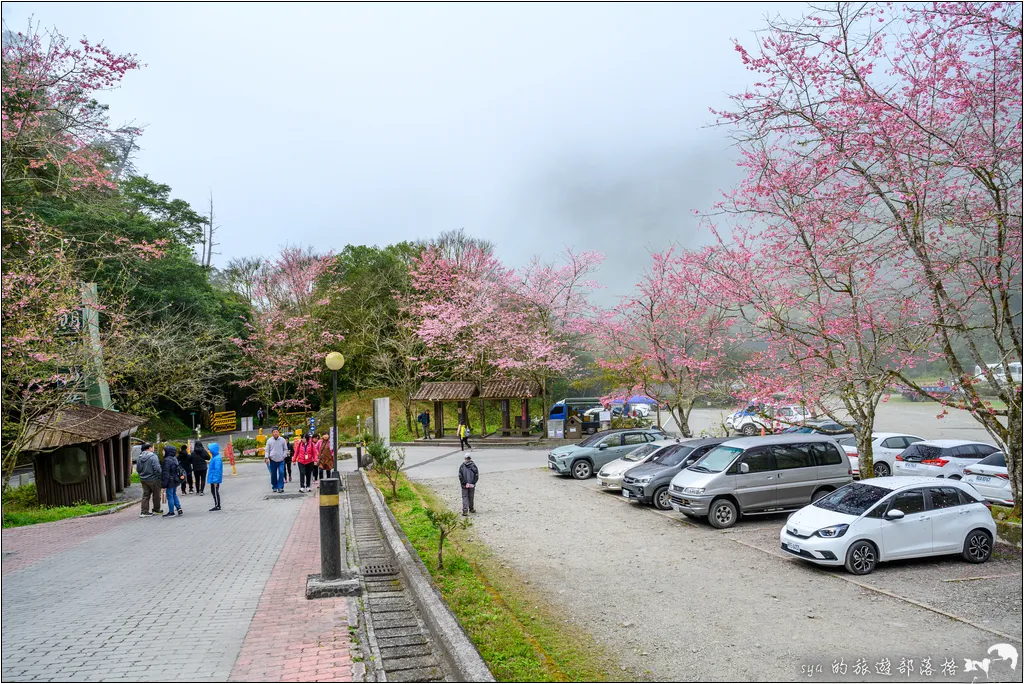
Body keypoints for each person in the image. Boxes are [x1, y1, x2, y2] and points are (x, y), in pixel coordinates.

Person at [135, 443, 163, 517]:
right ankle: (156, 510)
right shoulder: (153, 456)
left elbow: (138, 469)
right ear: (150, 448)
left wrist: (142, 474)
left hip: (143, 479)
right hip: (153, 479)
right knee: (156, 495)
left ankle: (144, 511)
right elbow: (157, 468)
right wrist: (159, 476)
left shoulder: (140, 457)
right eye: (153, 447)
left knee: (145, 495)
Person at [161, 445, 184, 517]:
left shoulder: (167, 460)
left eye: (164, 450)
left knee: (170, 496)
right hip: (175, 479)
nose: (163, 452)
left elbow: (166, 473)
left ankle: (171, 512)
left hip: (170, 481)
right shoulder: (174, 458)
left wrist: (164, 484)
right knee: (174, 494)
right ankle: (178, 508)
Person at [265, 427, 288, 492]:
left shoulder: (282, 440)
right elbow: (267, 450)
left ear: (278, 433)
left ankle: (280, 487)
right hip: (272, 460)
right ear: (272, 433)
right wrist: (266, 457)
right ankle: (274, 486)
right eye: (274, 432)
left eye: (276, 432)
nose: (275, 433)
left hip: (281, 460)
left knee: (281, 472)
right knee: (273, 474)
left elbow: (285, 449)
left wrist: (284, 456)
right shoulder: (269, 441)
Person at [207, 442, 224, 511]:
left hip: (214, 479)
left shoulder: (217, 458)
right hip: (213, 477)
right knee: (213, 491)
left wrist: (215, 480)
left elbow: (217, 470)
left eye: (209, 449)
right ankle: (217, 504)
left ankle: (217, 505)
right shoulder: (214, 457)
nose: (209, 451)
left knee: (215, 491)